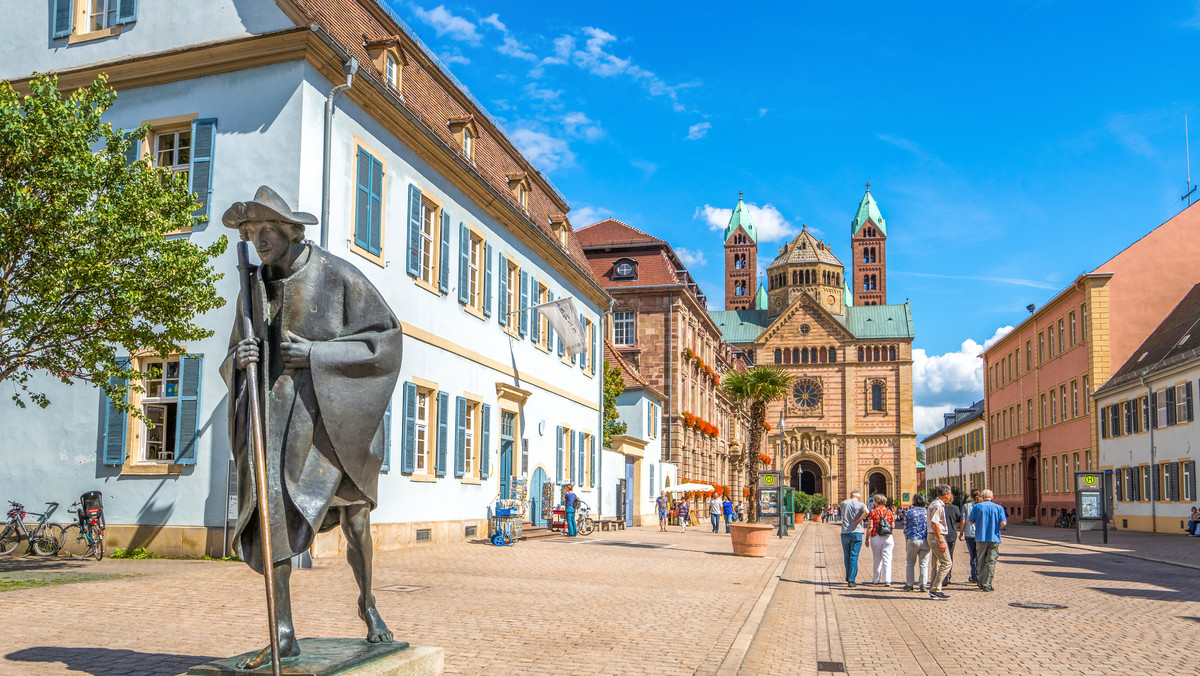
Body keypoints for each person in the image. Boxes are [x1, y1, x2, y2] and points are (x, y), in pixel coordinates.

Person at [221, 186, 403, 668]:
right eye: (249, 232)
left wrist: (318, 355)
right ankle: (283, 632)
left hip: (338, 424)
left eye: (266, 230)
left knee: (356, 519)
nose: (257, 240)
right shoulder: (253, 283)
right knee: (269, 516)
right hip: (279, 421)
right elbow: (240, 348)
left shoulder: (338, 275)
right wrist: (239, 361)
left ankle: (368, 603)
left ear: (290, 231)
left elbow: (386, 342)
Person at [968, 489, 1008, 591]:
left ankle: (980, 582)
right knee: (991, 561)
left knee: (981, 560)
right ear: (992, 497)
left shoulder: (977, 507)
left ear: (981, 496)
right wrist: (996, 526)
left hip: (981, 537)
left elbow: (971, 522)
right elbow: (1003, 523)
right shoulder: (999, 508)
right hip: (994, 538)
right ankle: (987, 583)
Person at [927, 485, 953, 600]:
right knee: (947, 563)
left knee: (936, 564)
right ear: (946, 494)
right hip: (937, 536)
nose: (951, 495)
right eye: (950, 493)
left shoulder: (934, 503)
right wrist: (941, 540)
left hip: (932, 536)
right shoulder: (938, 506)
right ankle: (936, 589)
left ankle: (934, 589)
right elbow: (934, 523)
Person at [839, 491, 869, 587]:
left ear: (850, 496)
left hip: (844, 533)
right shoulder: (861, 504)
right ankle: (851, 580)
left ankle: (848, 576)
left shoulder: (843, 503)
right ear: (859, 498)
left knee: (846, 556)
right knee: (854, 556)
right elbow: (867, 512)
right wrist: (858, 520)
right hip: (856, 532)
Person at [903, 494, 930, 592]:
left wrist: (906, 541)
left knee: (910, 563)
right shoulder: (927, 512)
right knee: (923, 564)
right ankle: (923, 584)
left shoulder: (909, 512)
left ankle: (909, 584)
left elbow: (905, 528)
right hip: (925, 540)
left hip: (912, 539)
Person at [866, 494, 895, 586]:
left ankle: (876, 579)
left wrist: (867, 538)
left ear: (877, 502)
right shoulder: (889, 512)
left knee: (877, 559)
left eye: (874, 501)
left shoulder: (873, 512)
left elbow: (870, 526)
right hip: (888, 537)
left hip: (876, 536)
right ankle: (887, 580)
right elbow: (893, 526)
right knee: (887, 559)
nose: (873, 503)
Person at [940, 492, 962, 587]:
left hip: (940, 535)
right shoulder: (955, 508)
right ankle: (948, 576)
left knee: (941, 557)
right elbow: (958, 520)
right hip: (951, 534)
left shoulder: (938, 507)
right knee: (950, 555)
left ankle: (942, 577)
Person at [962, 489, 981, 583]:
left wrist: (961, 532)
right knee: (980, 555)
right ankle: (979, 574)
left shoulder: (966, 506)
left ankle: (974, 575)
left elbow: (963, 520)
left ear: (971, 496)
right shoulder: (981, 506)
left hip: (969, 534)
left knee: (973, 555)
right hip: (980, 534)